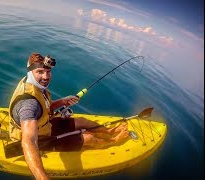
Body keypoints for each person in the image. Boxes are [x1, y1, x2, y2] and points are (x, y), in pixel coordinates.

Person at [8, 52, 129, 180]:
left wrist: (63, 101)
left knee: (83, 122)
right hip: (40, 139)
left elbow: (44, 107)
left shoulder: (35, 86)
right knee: (89, 139)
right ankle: (113, 140)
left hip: (43, 125)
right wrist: (42, 178)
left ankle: (109, 131)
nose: (46, 77)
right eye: (40, 72)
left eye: (48, 72)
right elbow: (29, 141)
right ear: (30, 72)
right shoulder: (28, 104)